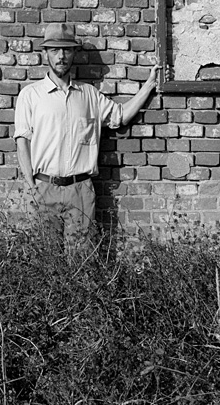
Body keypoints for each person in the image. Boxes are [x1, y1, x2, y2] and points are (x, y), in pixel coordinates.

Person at [14, 22, 158, 248]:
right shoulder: (31, 95)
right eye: (54, 50)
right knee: (45, 261)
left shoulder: (89, 94)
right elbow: (22, 142)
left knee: (83, 262)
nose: (61, 56)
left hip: (80, 190)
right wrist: (32, 186)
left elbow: (120, 116)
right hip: (44, 187)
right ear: (46, 54)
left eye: (67, 50)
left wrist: (149, 86)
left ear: (74, 54)